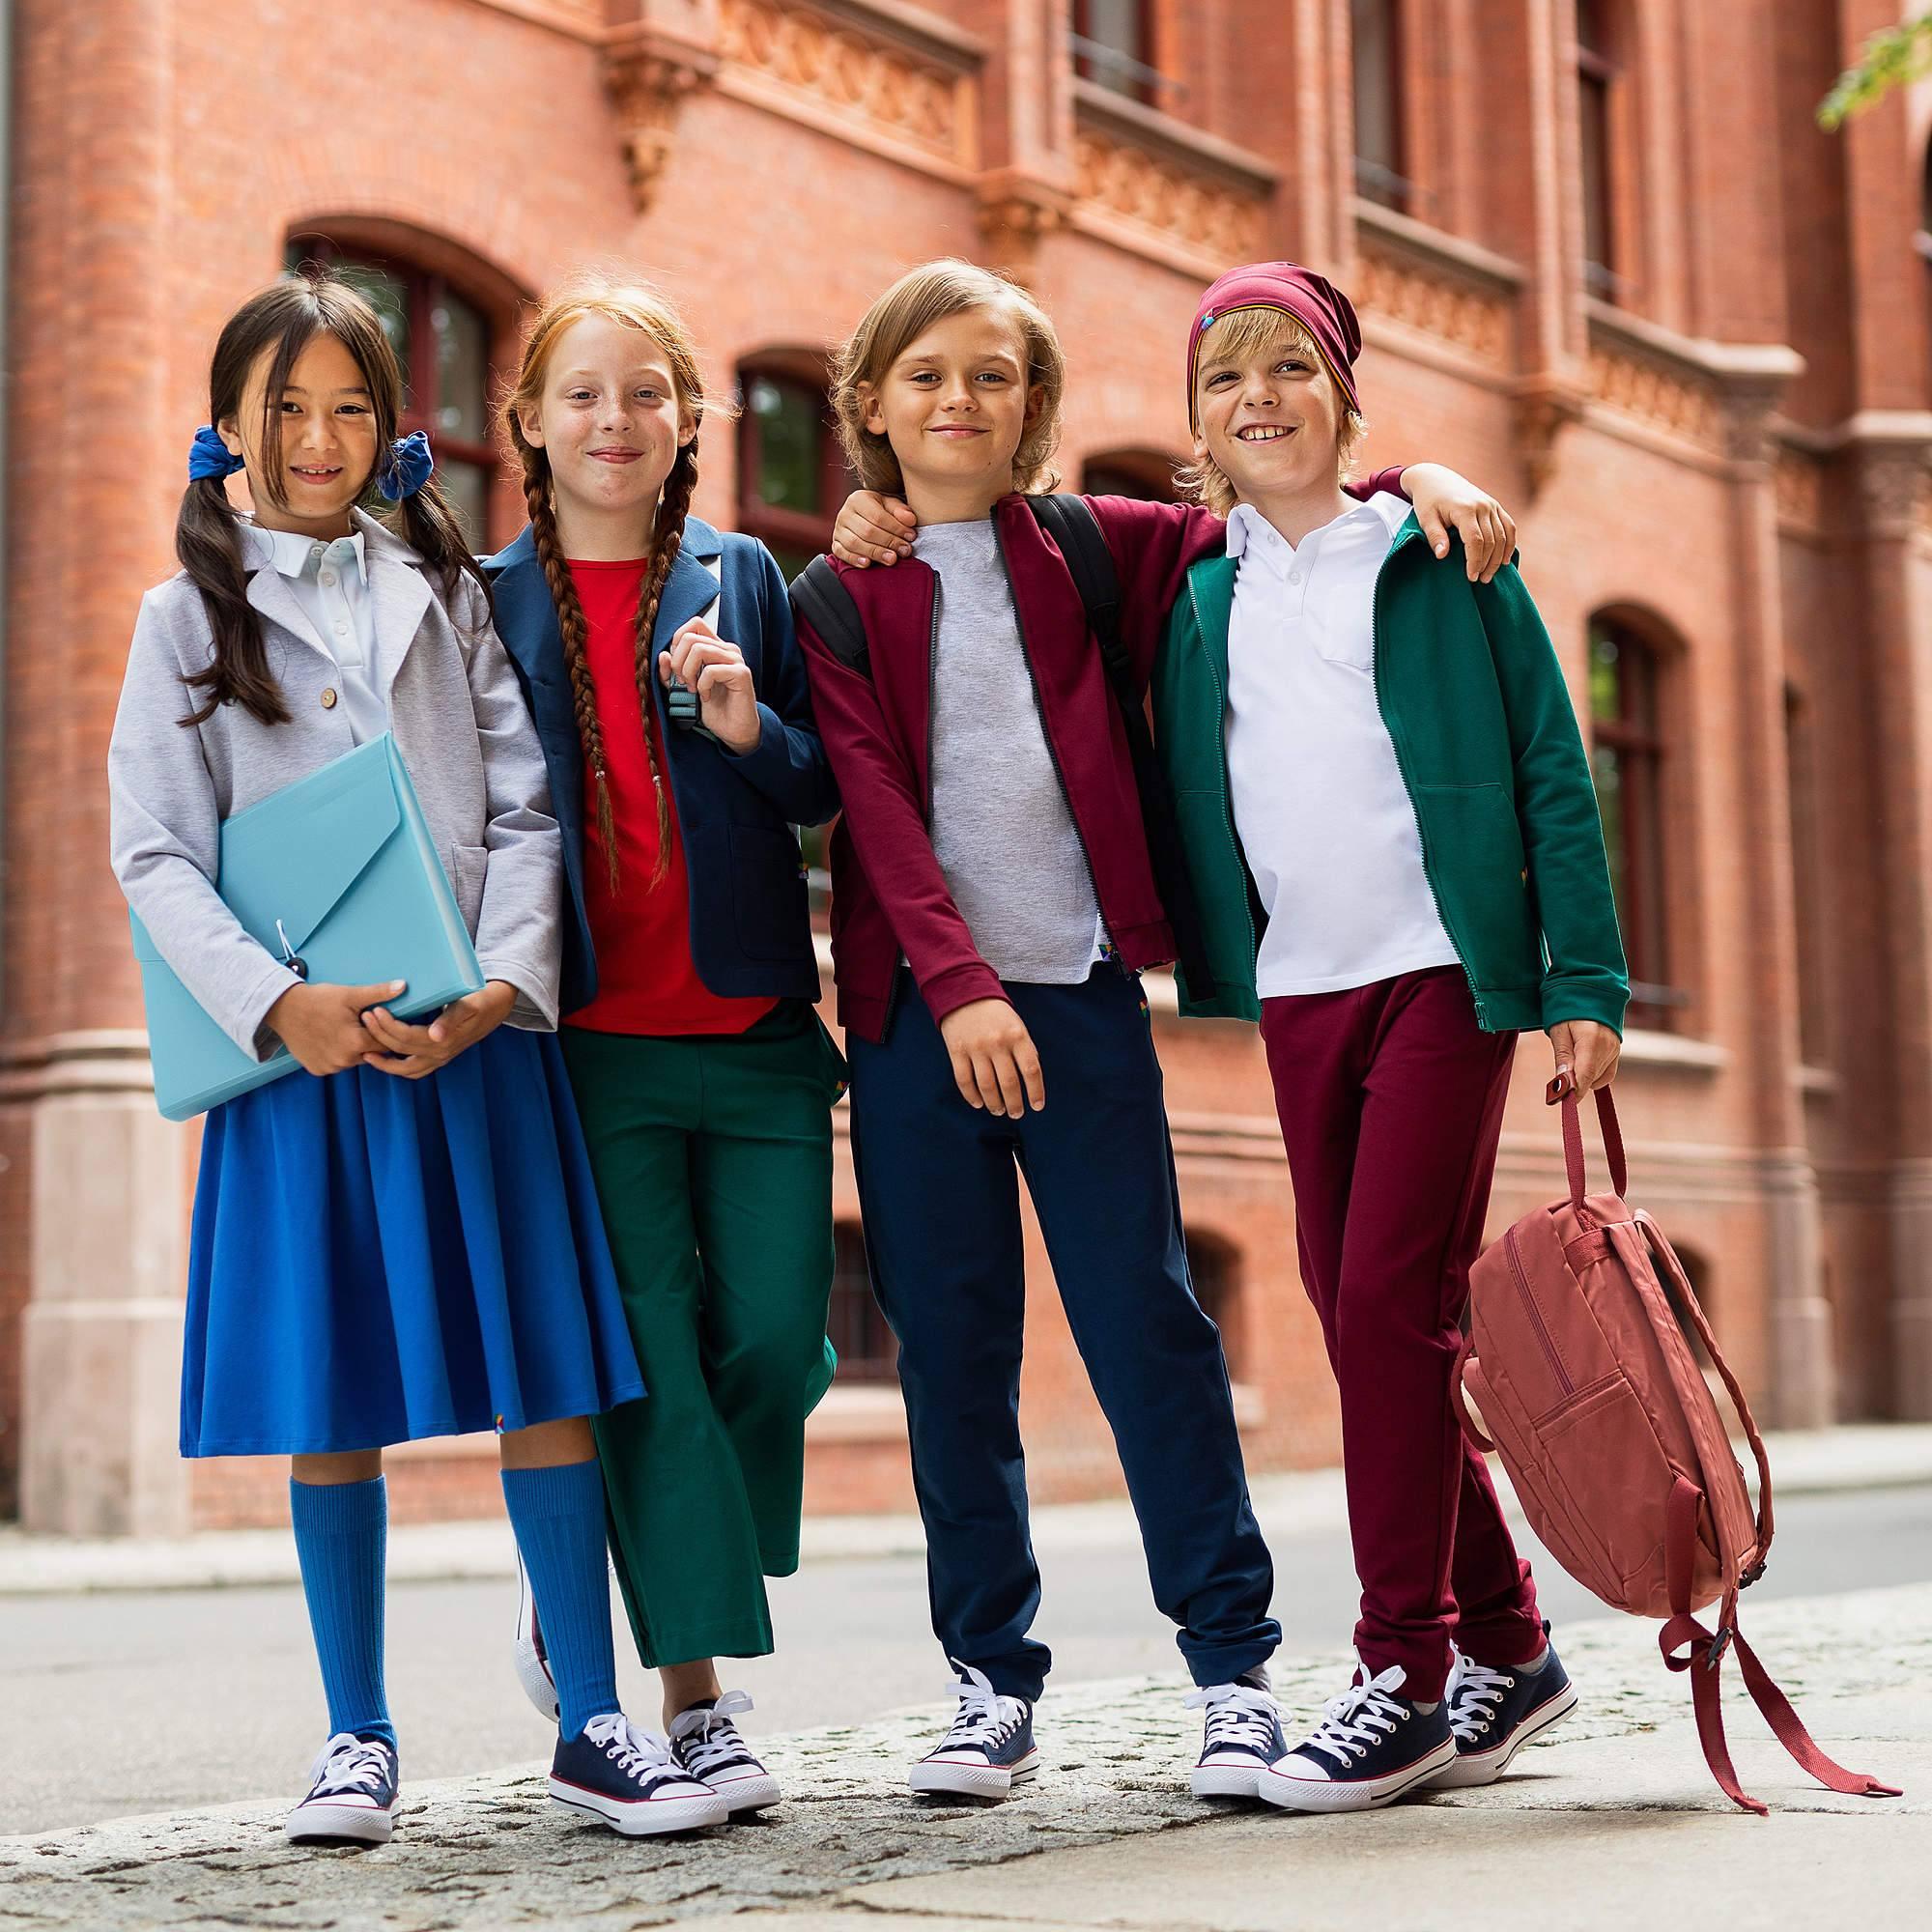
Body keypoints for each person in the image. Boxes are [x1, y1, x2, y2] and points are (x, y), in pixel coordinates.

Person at [796, 258, 1517, 1803]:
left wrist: (1420, 473)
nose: (960, 402)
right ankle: (990, 1683)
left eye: (994, 375)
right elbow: (872, 813)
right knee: (957, 1357)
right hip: (920, 1024)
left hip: (1084, 1004)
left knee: (1152, 1335)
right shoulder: (831, 594)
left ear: (1034, 407)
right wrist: (957, 988)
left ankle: (1234, 1673)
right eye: (925, 376)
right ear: (872, 402)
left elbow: (1287, 508)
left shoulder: (1091, 546)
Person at [107, 275, 726, 1844]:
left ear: (393, 429)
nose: (318, 439)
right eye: (285, 407)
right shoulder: (183, 616)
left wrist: (504, 984)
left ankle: (592, 1718)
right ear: (228, 425)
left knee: (546, 1370)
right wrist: (278, 1009)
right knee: (338, 1395)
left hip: (474, 1045)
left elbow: (525, 805)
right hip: (305, 1064)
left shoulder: (439, 588)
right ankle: (355, 1736)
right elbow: (154, 855)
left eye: (350, 407)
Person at [1149, 262, 1627, 1811]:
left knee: (1381, 1303)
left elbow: (1552, 765)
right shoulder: (1199, 582)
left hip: (1443, 974)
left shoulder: (1433, 555)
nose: (1260, 398)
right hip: (1302, 989)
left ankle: (1404, 1676)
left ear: (1346, 393)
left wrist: (1587, 985)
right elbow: (1020, 539)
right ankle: (1512, 1641)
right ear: (1199, 424)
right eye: (1228, 379)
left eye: (1292, 367)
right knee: (1370, 1315)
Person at [489, 273, 843, 1817]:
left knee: (776, 1347)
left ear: (689, 417)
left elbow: (822, 787)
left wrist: (748, 724)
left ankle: (643, 1563)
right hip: (591, 1053)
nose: (614, 419)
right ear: (532, 425)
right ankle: (696, 1701)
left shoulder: (747, 575)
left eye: (644, 392)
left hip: (758, 1025)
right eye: (582, 393)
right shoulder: (486, 599)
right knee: (653, 1373)